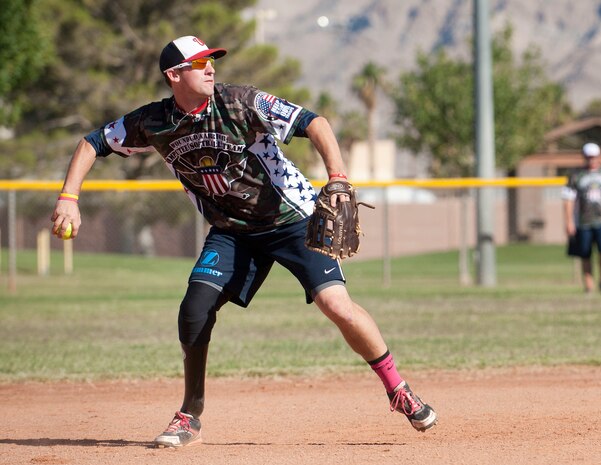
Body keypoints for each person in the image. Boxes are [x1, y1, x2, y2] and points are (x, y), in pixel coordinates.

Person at [50, 35, 437, 447]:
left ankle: (398, 389)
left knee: (336, 304)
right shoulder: (155, 121)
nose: (211, 68)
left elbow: (314, 122)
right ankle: (189, 415)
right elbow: (93, 142)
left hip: (292, 218)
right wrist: (69, 196)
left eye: (212, 61)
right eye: (200, 63)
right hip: (232, 230)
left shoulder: (240, 102)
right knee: (193, 310)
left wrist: (338, 176)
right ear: (174, 75)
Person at [562, 142, 601, 294]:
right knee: (585, 254)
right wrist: (569, 221)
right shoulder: (576, 175)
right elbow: (568, 200)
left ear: (598, 157)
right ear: (584, 157)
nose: (591, 160)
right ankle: (589, 285)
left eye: (594, 157)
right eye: (588, 157)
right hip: (583, 221)